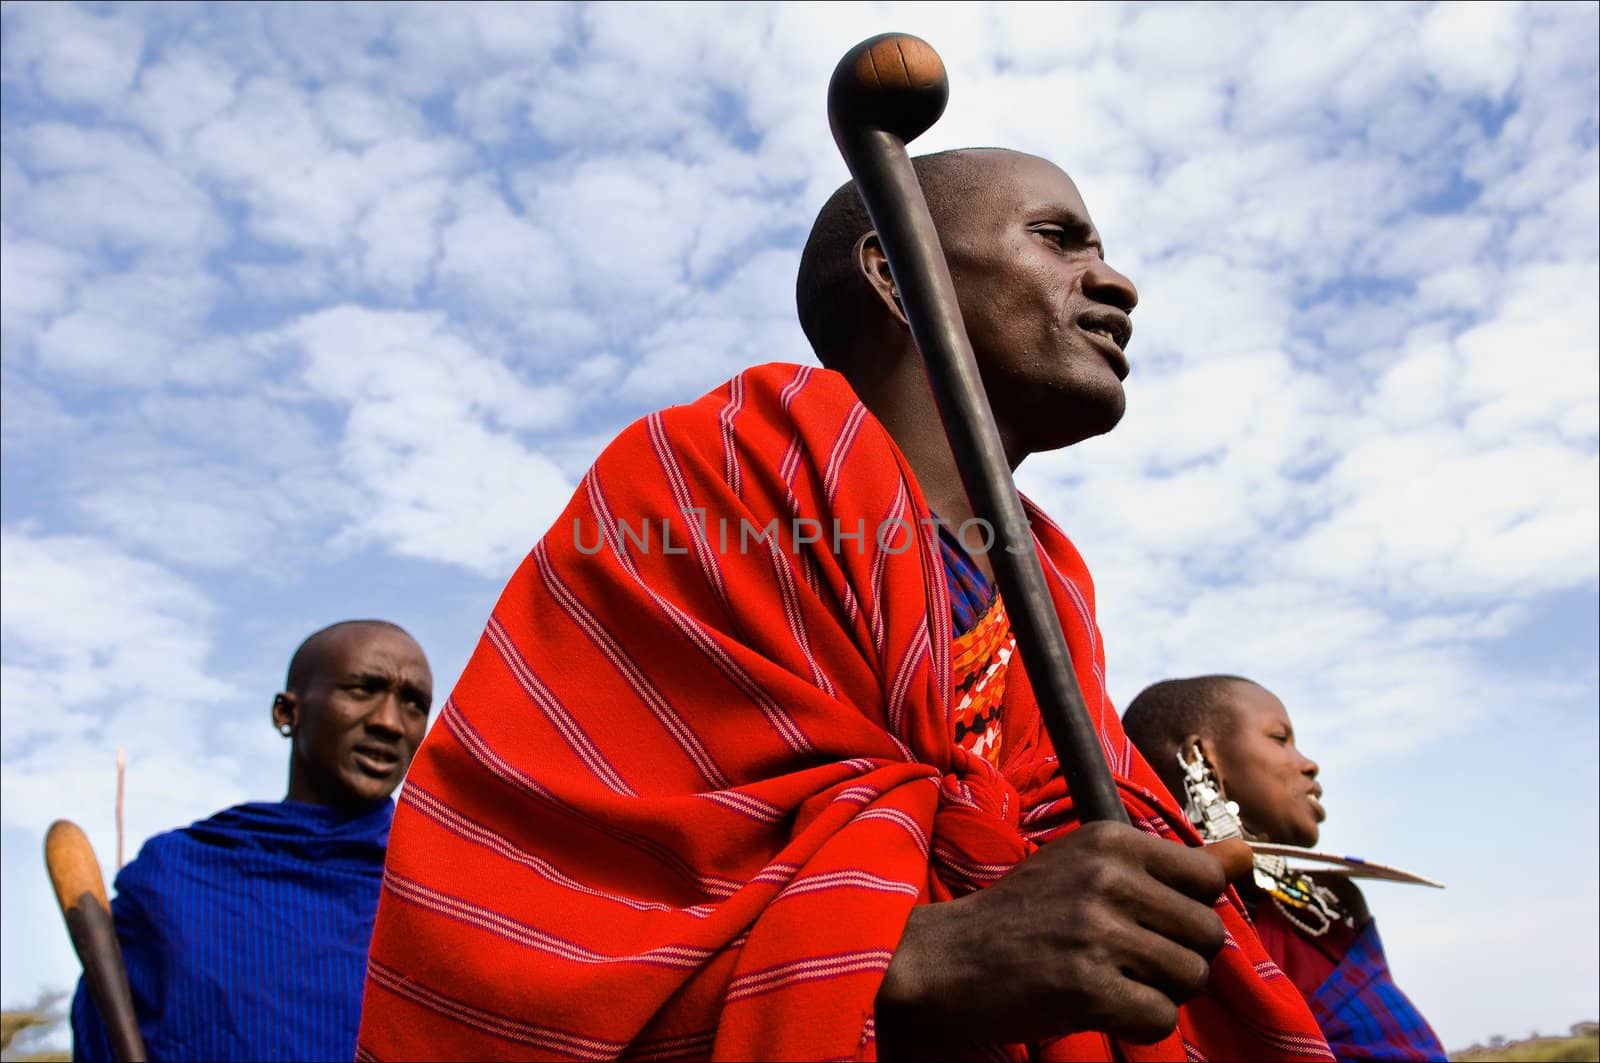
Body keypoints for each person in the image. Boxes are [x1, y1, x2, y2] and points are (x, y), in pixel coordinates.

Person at [358, 149, 1332, 1061]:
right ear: (892, 273)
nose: (1116, 282)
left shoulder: (1051, 593)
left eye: (1103, 251)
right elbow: (536, 925)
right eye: (1057, 237)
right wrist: (917, 962)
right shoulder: (716, 479)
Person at [71, 620, 433, 1062]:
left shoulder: (438, 894)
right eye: (361, 690)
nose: (389, 722)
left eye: (414, 705)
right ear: (287, 713)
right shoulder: (173, 881)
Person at [1122, 675, 1447, 1062]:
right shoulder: (1144, 922)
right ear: (1198, 758)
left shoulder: (1330, 908)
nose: (1310, 765)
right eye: (1280, 738)